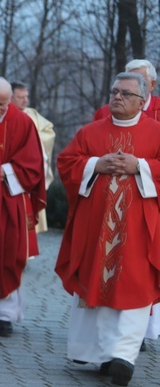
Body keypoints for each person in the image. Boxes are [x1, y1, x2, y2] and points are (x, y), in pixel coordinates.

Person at [55, 72, 160, 386]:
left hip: (139, 230)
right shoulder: (91, 131)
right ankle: (98, 354)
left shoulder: (156, 132)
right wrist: (95, 165)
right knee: (95, 282)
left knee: (134, 285)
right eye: (114, 92)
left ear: (142, 101)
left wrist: (139, 166)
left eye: (126, 94)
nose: (117, 97)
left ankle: (123, 357)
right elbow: (67, 160)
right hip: (95, 227)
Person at [0, 77, 46, 338]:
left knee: (8, 254)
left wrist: (4, 171)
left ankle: (5, 315)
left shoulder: (21, 122)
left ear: (10, 100)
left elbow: (32, 163)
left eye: (2, 104)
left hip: (8, 197)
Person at [11, 81, 56, 257]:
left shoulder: (32, 114)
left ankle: (26, 250)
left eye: (26, 97)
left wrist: (33, 139)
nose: (24, 101)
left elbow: (49, 131)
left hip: (29, 172)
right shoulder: (4, 114)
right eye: (20, 97)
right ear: (11, 96)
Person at [93, 59, 160, 120]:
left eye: (141, 80)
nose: (134, 84)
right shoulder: (104, 112)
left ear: (152, 84)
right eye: (130, 80)